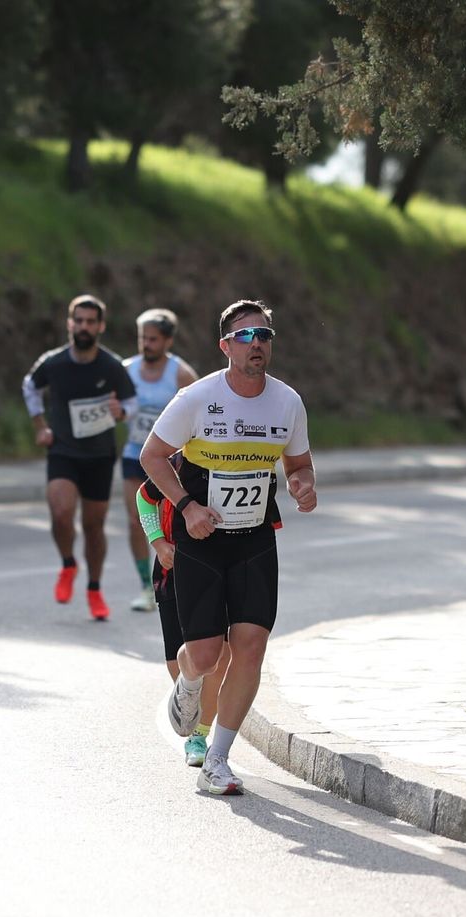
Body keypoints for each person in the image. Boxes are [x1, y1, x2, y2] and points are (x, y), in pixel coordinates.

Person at [140, 299, 316, 796]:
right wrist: (188, 507)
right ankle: (189, 684)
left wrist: (304, 485)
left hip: (255, 538)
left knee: (251, 647)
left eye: (264, 335)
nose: (257, 343)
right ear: (225, 347)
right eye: (246, 336)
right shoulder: (196, 398)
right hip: (203, 538)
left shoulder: (287, 402)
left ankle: (218, 758)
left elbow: (299, 464)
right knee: (203, 652)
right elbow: (152, 458)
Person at [136, 452, 273, 767]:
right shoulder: (180, 461)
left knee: (221, 654)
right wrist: (157, 542)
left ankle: (199, 734)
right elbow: (144, 498)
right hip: (173, 568)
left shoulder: (241, 459)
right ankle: (188, 698)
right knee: (181, 659)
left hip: (215, 563)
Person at [21, 294, 137, 621]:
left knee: (93, 526)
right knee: (61, 513)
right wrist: (40, 424)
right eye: (78, 320)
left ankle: (94, 588)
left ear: (100, 326)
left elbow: (132, 403)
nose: (84, 327)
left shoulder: (111, 366)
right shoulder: (54, 363)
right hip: (63, 450)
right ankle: (68, 564)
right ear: (69, 323)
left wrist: (121, 412)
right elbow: (29, 386)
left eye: (90, 321)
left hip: (99, 455)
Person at [121, 309, 199, 613]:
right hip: (134, 454)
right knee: (136, 520)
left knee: (171, 523)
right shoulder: (127, 369)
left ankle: (177, 577)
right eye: (143, 338)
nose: (146, 344)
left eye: (153, 339)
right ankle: (144, 584)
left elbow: (197, 415)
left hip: (170, 463)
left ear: (167, 341)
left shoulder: (181, 375)